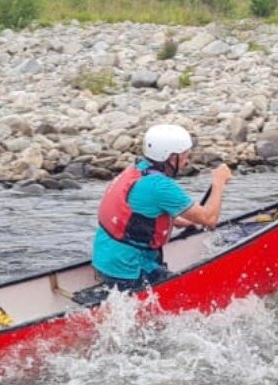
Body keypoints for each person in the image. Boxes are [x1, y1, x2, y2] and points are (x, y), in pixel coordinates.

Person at [93, 123, 232, 291]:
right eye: (184, 155)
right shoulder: (160, 186)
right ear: (171, 157)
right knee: (183, 291)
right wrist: (219, 182)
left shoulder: (136, 169)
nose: (187, 160)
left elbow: (141, 214)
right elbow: (209, 219)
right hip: (128, 268)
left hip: (104, 257)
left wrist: (181, 221)